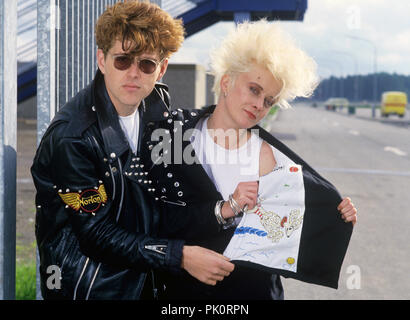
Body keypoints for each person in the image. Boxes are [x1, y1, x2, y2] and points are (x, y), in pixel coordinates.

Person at [31, 1, 235, 300]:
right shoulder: (73, 137)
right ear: (102, 60)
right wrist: (179, 256)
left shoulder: (157, 114)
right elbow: (95, 235)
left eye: (147, 64)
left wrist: (222, 210)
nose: (134, 73)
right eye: (123, 60)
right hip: (92, 288)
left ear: (161, 68)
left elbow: (162, 200)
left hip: (148, 281)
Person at [148, 20, 357, 300]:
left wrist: (336, 216)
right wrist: (225, 208)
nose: (260, 105)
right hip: (181, 293)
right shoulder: (174, 136)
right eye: (254, 90)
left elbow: (285, 243)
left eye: (269, 100)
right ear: (226, 82)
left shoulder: (272, 159)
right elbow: (150, 218)